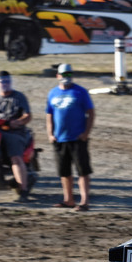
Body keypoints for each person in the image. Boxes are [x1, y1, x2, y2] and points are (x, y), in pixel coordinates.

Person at [45, 63, 96, 211]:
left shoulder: (80, 92)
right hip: (60, 139)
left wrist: (86, 133)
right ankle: (68, 200)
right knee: (64, 172)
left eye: (69, 74)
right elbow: (49, 115)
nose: (66, 77)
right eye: (63, 74)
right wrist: (50, 134)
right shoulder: (53, 93)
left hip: (77, 138)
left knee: (82, 171)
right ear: (58, 76)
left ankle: (84, 202)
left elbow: (91, 113)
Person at [0, 70, 32, 202]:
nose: (4, 84)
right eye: (2, 81)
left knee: (15, 158)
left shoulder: (19, 97)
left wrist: (19, 122)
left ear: (11, 82)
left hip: (14, 132)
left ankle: (23, 191)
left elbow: (27, 115)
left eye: (7, 81)